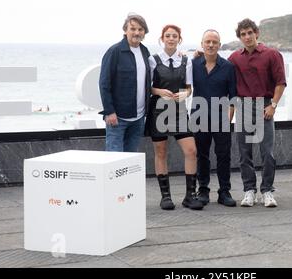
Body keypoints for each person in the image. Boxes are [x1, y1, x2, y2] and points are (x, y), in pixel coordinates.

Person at [228, 18, 286, 208]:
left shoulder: (272, 54)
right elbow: (220, 68)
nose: (247, 37)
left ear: (256, 33)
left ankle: (267, 190)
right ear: (240, 37)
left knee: (267, 152)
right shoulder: (235, 58)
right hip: (243, 106)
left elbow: (280, 82)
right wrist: (198, 55)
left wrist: (273, 105)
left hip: (265, 106)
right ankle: (249, 191)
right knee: (244, 153)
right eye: (243, 34)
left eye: (249, 33)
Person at [147, 24, 203, 211]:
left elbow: (189, 87)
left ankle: (189, 196)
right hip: (159, 110)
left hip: (179, 111)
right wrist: (158, 90)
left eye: (174, 36)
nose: (171, 38)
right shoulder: (152, 60)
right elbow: (147, 87)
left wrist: (186, 95)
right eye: (168, 35)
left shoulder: (185, 61)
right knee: (161, 152)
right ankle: (166, 197)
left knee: (191, 150)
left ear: (179, 39)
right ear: (162, 39)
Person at [192, 30, 237, 207]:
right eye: (207, 41)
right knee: (201, 155)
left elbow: (233, 97)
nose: (211, 45)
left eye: (214, 42)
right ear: (202, 44)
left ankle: (224, 192)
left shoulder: (228, 67)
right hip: (199, 116)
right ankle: (203, 190)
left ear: (219, 45)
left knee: (223, 156)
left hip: (221, 118)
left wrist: (229, 119)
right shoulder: (193, 64)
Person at [99, 13, 151, 152]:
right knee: (114, 161)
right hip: (117, 118)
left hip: (139, 118)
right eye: (133, 29)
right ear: (125, 30)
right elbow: (104, 84)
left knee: (130, 160)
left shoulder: (145, 51)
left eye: (140, 29)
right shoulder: (114, 51)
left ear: (144, 32)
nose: (137, 32)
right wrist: (109, 112)